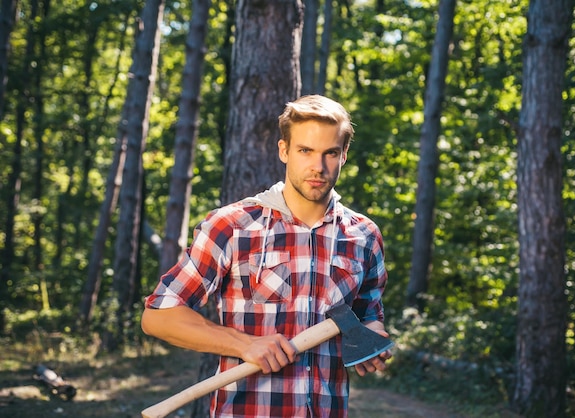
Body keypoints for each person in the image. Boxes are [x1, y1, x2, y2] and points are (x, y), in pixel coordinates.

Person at [142, 95, 391, 418]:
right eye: (305, 151)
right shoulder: (232, 226)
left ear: (343, 155)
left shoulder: (363, 236)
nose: (318, 167)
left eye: (330, 153)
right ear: (284, 151)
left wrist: (372, 340)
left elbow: (367, 316)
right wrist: (244, 344)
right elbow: (158, 316)